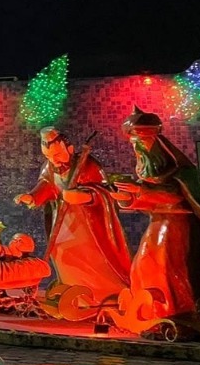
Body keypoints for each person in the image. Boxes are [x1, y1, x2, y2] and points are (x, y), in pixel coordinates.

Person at [110, 107, 200, 337]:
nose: (137, 149)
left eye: (141, 143)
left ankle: (178, 313)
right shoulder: (151, 175)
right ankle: (153, 313)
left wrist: (141, 191)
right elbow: (149, 201)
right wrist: (129, 198)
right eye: (135, 144)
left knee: (167, 269)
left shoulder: (182, 172)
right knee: (143, 267)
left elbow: (175, 195)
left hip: (178, 227)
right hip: (158, 224)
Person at [14, 127, 130, 311]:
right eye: (49, 156)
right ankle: (76, 294)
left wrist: (86, 196)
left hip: (89, 225)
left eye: (57, 155)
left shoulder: (88, 164)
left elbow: (107, 191)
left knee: (91, 257)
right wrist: (32, 197)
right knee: (62, 253)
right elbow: (46, 185)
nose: (54, 160)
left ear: (69, 149)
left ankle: (104, 296)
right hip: (64, 221)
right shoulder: (49, 168)